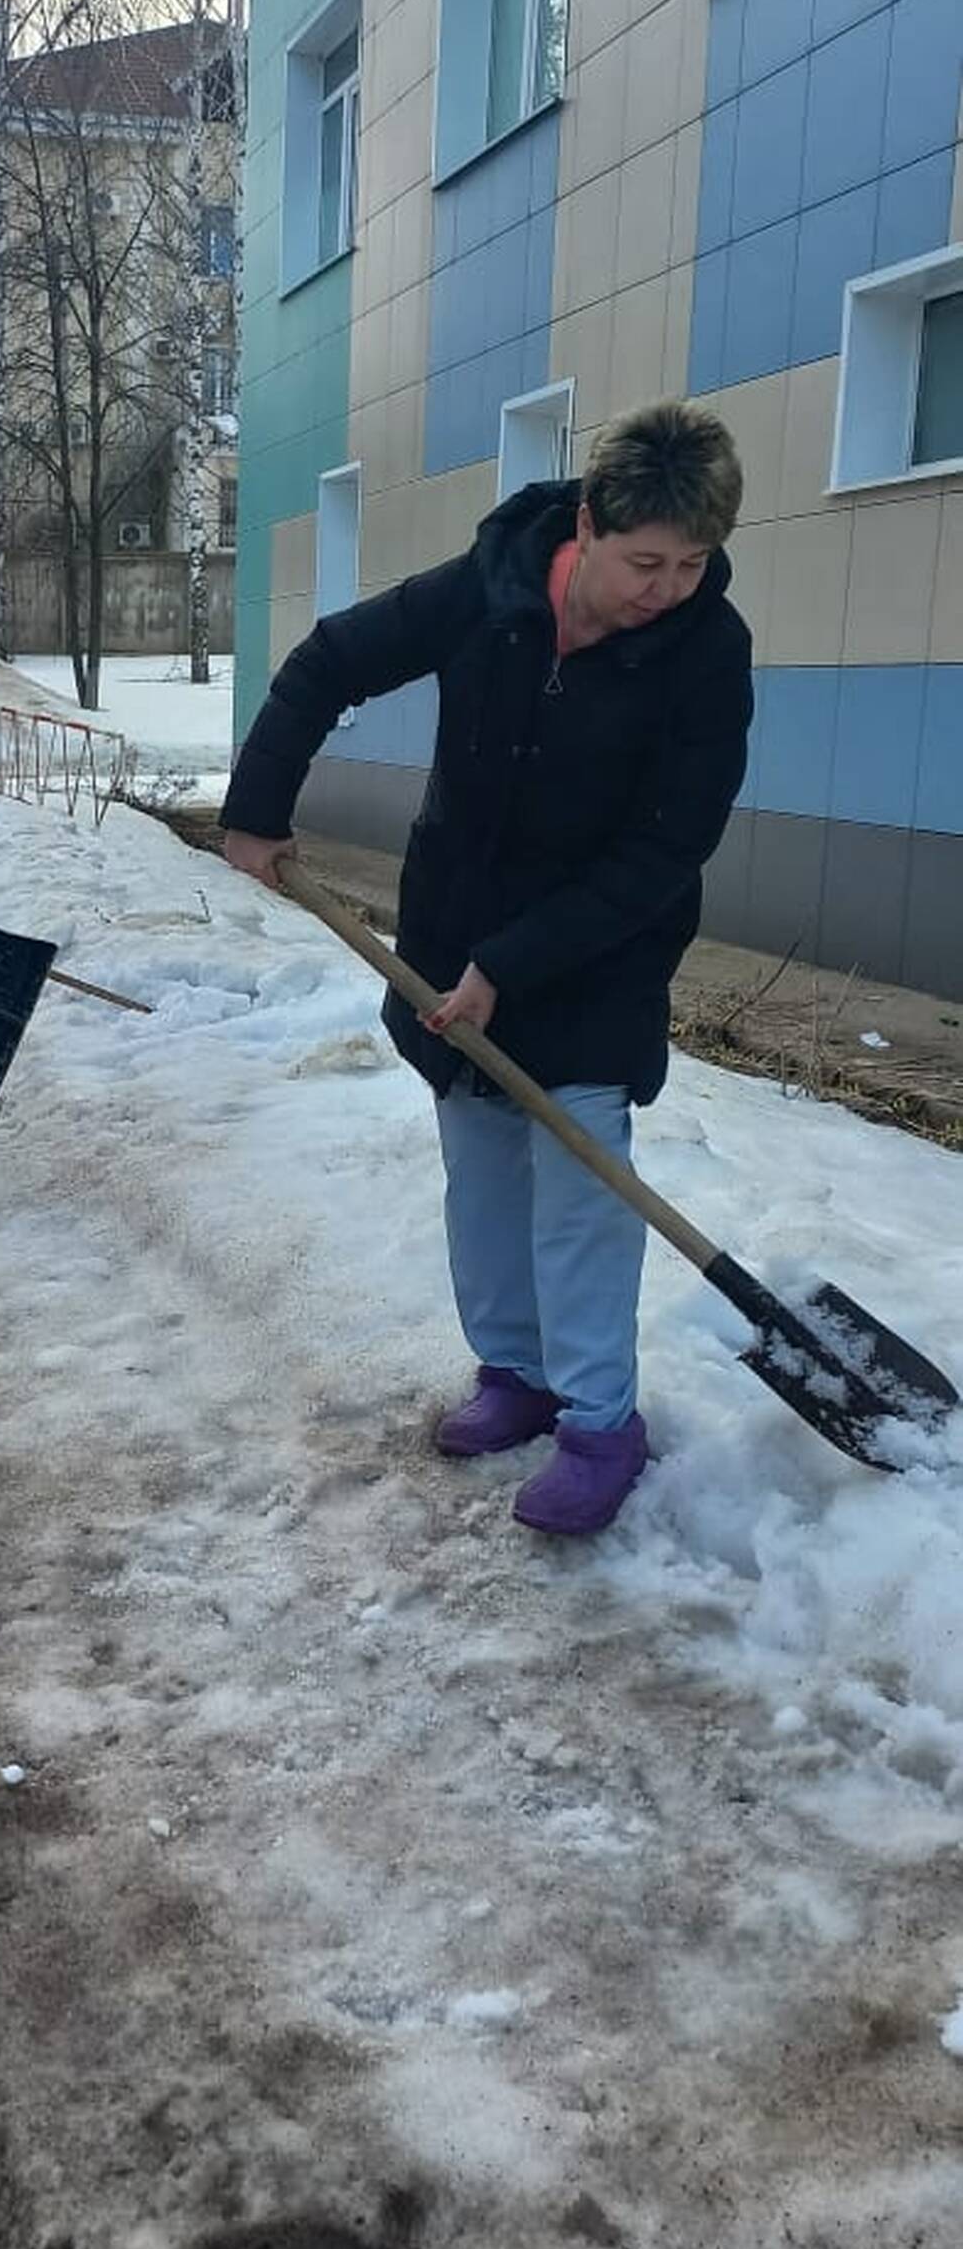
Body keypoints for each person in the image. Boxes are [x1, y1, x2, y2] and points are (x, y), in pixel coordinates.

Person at [220, 399, 752, 1539]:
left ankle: (603, 1424)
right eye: (645, 561)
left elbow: (669, 845)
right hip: (453, 930)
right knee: (483, 1170)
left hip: (599, 948)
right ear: (588, 524)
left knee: (580, 1188)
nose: (668, 587)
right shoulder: (490, 589)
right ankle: (515, 1373)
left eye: (694, 563)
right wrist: (257, 810)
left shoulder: (707, 650)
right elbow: (326, 664)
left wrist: (513, 964)